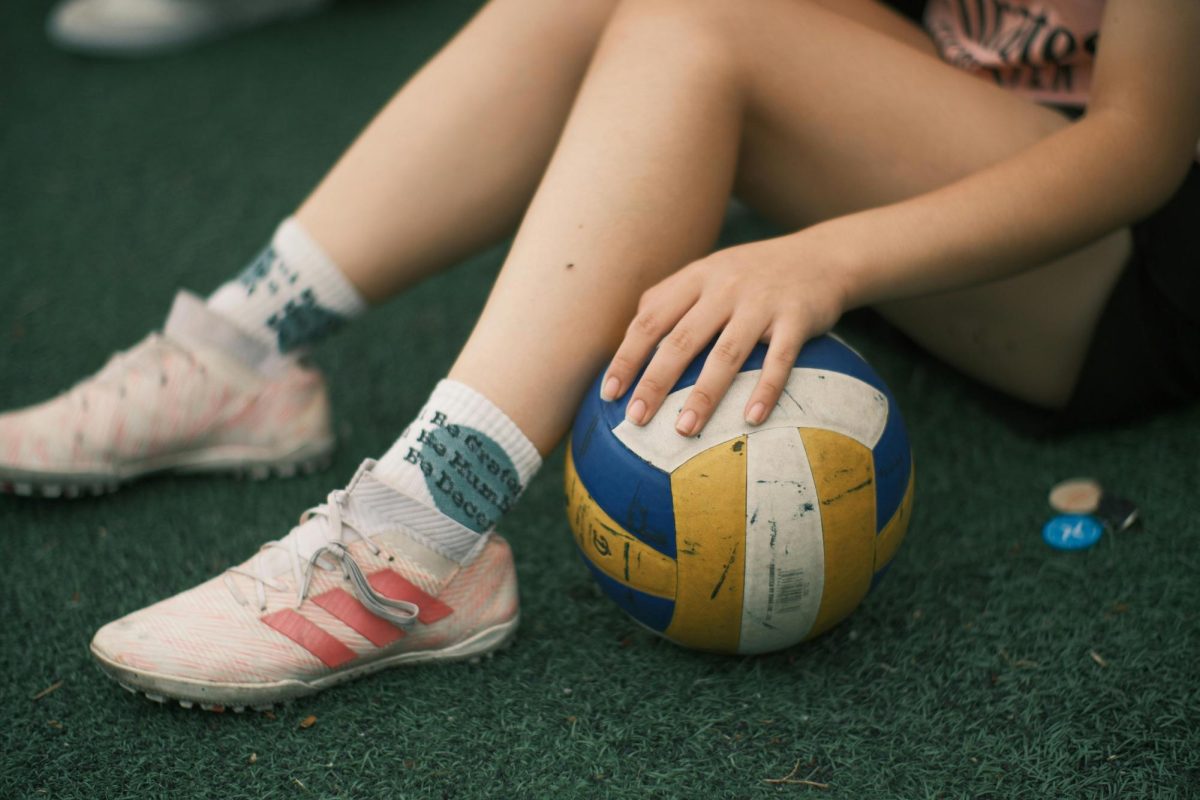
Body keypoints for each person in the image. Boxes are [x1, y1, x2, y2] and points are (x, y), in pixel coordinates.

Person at [2, 0, 1196, 710]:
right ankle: (246, 347)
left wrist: (826, 255)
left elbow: (1144, 146)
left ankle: (418, 536)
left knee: (694, 32)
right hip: (951, 134)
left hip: (1113, 272)